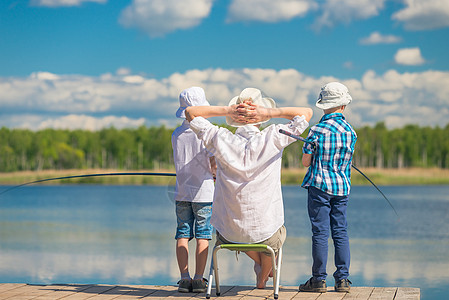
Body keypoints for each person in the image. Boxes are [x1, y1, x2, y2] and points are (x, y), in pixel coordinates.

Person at [185, 87, 313, 289]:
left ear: (235, 118)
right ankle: (263, 276)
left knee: (243, 230)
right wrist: (269, 113)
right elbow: (306, 113)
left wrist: (228, 110)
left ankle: (260, 265)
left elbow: (190, 113)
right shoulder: (274, 136)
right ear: (260, 117)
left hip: (228, 234)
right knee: (276, 235)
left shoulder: (220, 137)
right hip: (266, 233)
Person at [299, 82, 357, 293]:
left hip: (319, 187)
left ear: (323, 106)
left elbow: (306, 162)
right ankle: (342, 280)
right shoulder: (351, 132)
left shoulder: (316, 130)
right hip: (342, 188)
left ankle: (318, 280)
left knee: (320, 233)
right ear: (343, 106)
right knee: (340, 232)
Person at [172, 87, 216, 293]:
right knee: (203, 235)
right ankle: (199, 279)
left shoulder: (176, 134)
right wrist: (215, 175)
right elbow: (213, 163)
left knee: (182, 234)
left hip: (182, 192)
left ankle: (183, 278)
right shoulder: (206, 132)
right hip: (204, 193)